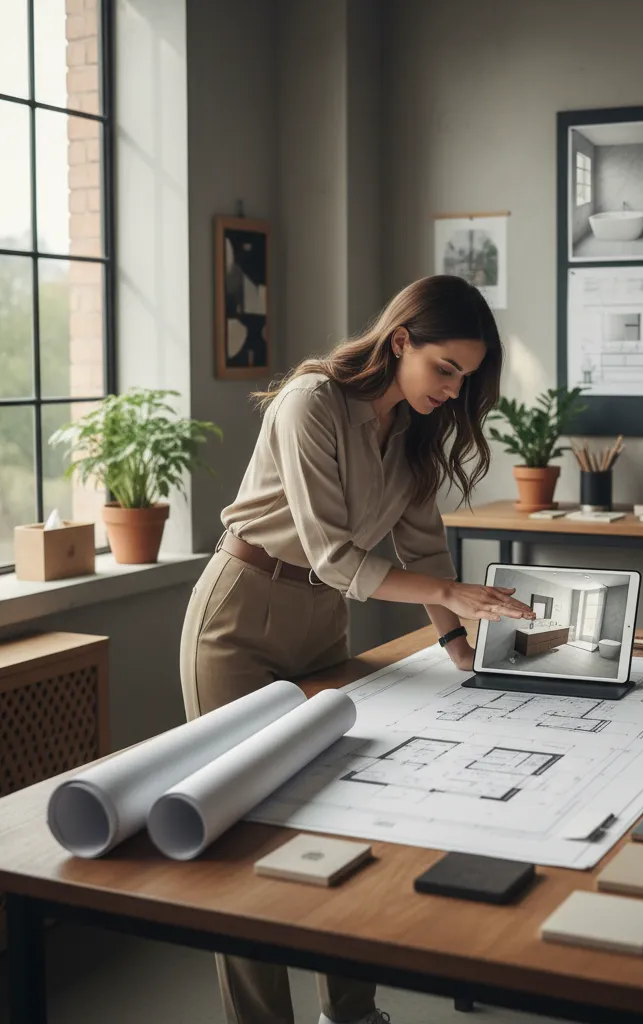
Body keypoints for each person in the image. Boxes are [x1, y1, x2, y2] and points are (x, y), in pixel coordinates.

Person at [180, 275, 535, 1024]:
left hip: (320, 624)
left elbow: (424, 549)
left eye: (466, 379)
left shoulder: (411, 431)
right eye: (446, 368)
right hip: (239, 615)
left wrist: (463, 651)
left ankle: (352, 1013)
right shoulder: (310, 401)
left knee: (336, 818)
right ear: (400, 340)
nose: (453, 389)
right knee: (241, 839)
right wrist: (453, 599)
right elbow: (336, 557)